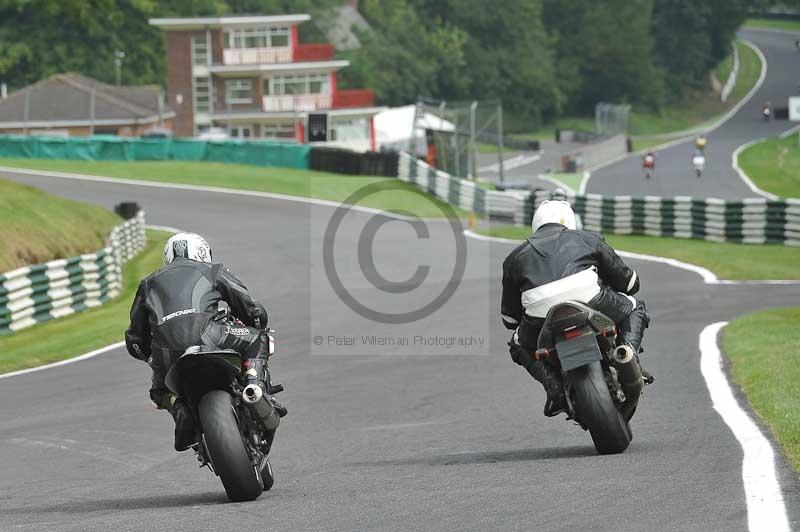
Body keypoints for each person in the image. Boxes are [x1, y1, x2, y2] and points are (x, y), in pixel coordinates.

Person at [125, 232, 286, 453]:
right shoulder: (213, 270)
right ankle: (254, 385)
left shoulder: (147, 284)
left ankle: (178, 407)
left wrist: (151, 357)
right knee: (258, 338)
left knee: (159, 391)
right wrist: (257, 321)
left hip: (166, 352)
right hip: (212, 335)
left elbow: (135, 339)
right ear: (202, 252)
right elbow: (250, 308)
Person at [501, 200, 651, 416]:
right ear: (569, 220)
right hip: (589, 298)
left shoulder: (514, 258)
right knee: (635, 306)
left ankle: (552, 386)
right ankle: (627, 353)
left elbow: (510, 319)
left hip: (541, 315)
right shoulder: (587, 238)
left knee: (517, 344)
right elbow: (628, 284)